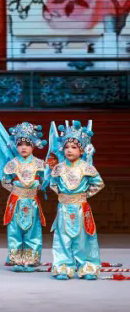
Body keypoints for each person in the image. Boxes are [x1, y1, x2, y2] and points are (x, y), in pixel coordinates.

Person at [0, 115, 49, 271]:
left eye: (27, 144)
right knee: (14, 231)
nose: (23, 147)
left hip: (32, 202)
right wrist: (17, 190)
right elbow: (5, 181)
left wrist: (35, 188)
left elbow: (44, 181)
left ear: (33, 145)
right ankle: (16, 259)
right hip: (15, 202)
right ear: (15, 145)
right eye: (20, 144)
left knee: (33, 231)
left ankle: (30, 260)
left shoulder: (40, 164)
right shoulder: (11, 164)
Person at [47, 120, 104, 280]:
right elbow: (53, 183)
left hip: (81, 207)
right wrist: (63, 196)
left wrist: (84, 195)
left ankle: (87, 267)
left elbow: (98, 183)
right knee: (62, 238)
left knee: (83, 238)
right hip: (64, 207)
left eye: (73, 147)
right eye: (66, 147)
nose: (69, 150)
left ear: (81, 150)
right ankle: (63, 267)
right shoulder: (58, 168)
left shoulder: (86, 167)